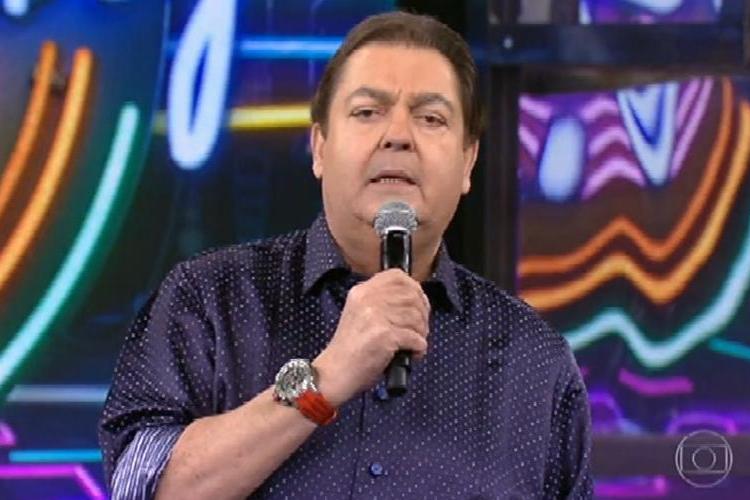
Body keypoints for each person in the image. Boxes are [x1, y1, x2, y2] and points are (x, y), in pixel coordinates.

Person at [99, 11, 592, 499]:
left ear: (468, 162)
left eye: (431, 118)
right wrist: (327, 377)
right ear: (319, 147)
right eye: (367, 112)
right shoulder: (209, 300)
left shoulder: (534, 361)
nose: (398, 135)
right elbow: (140, 486)